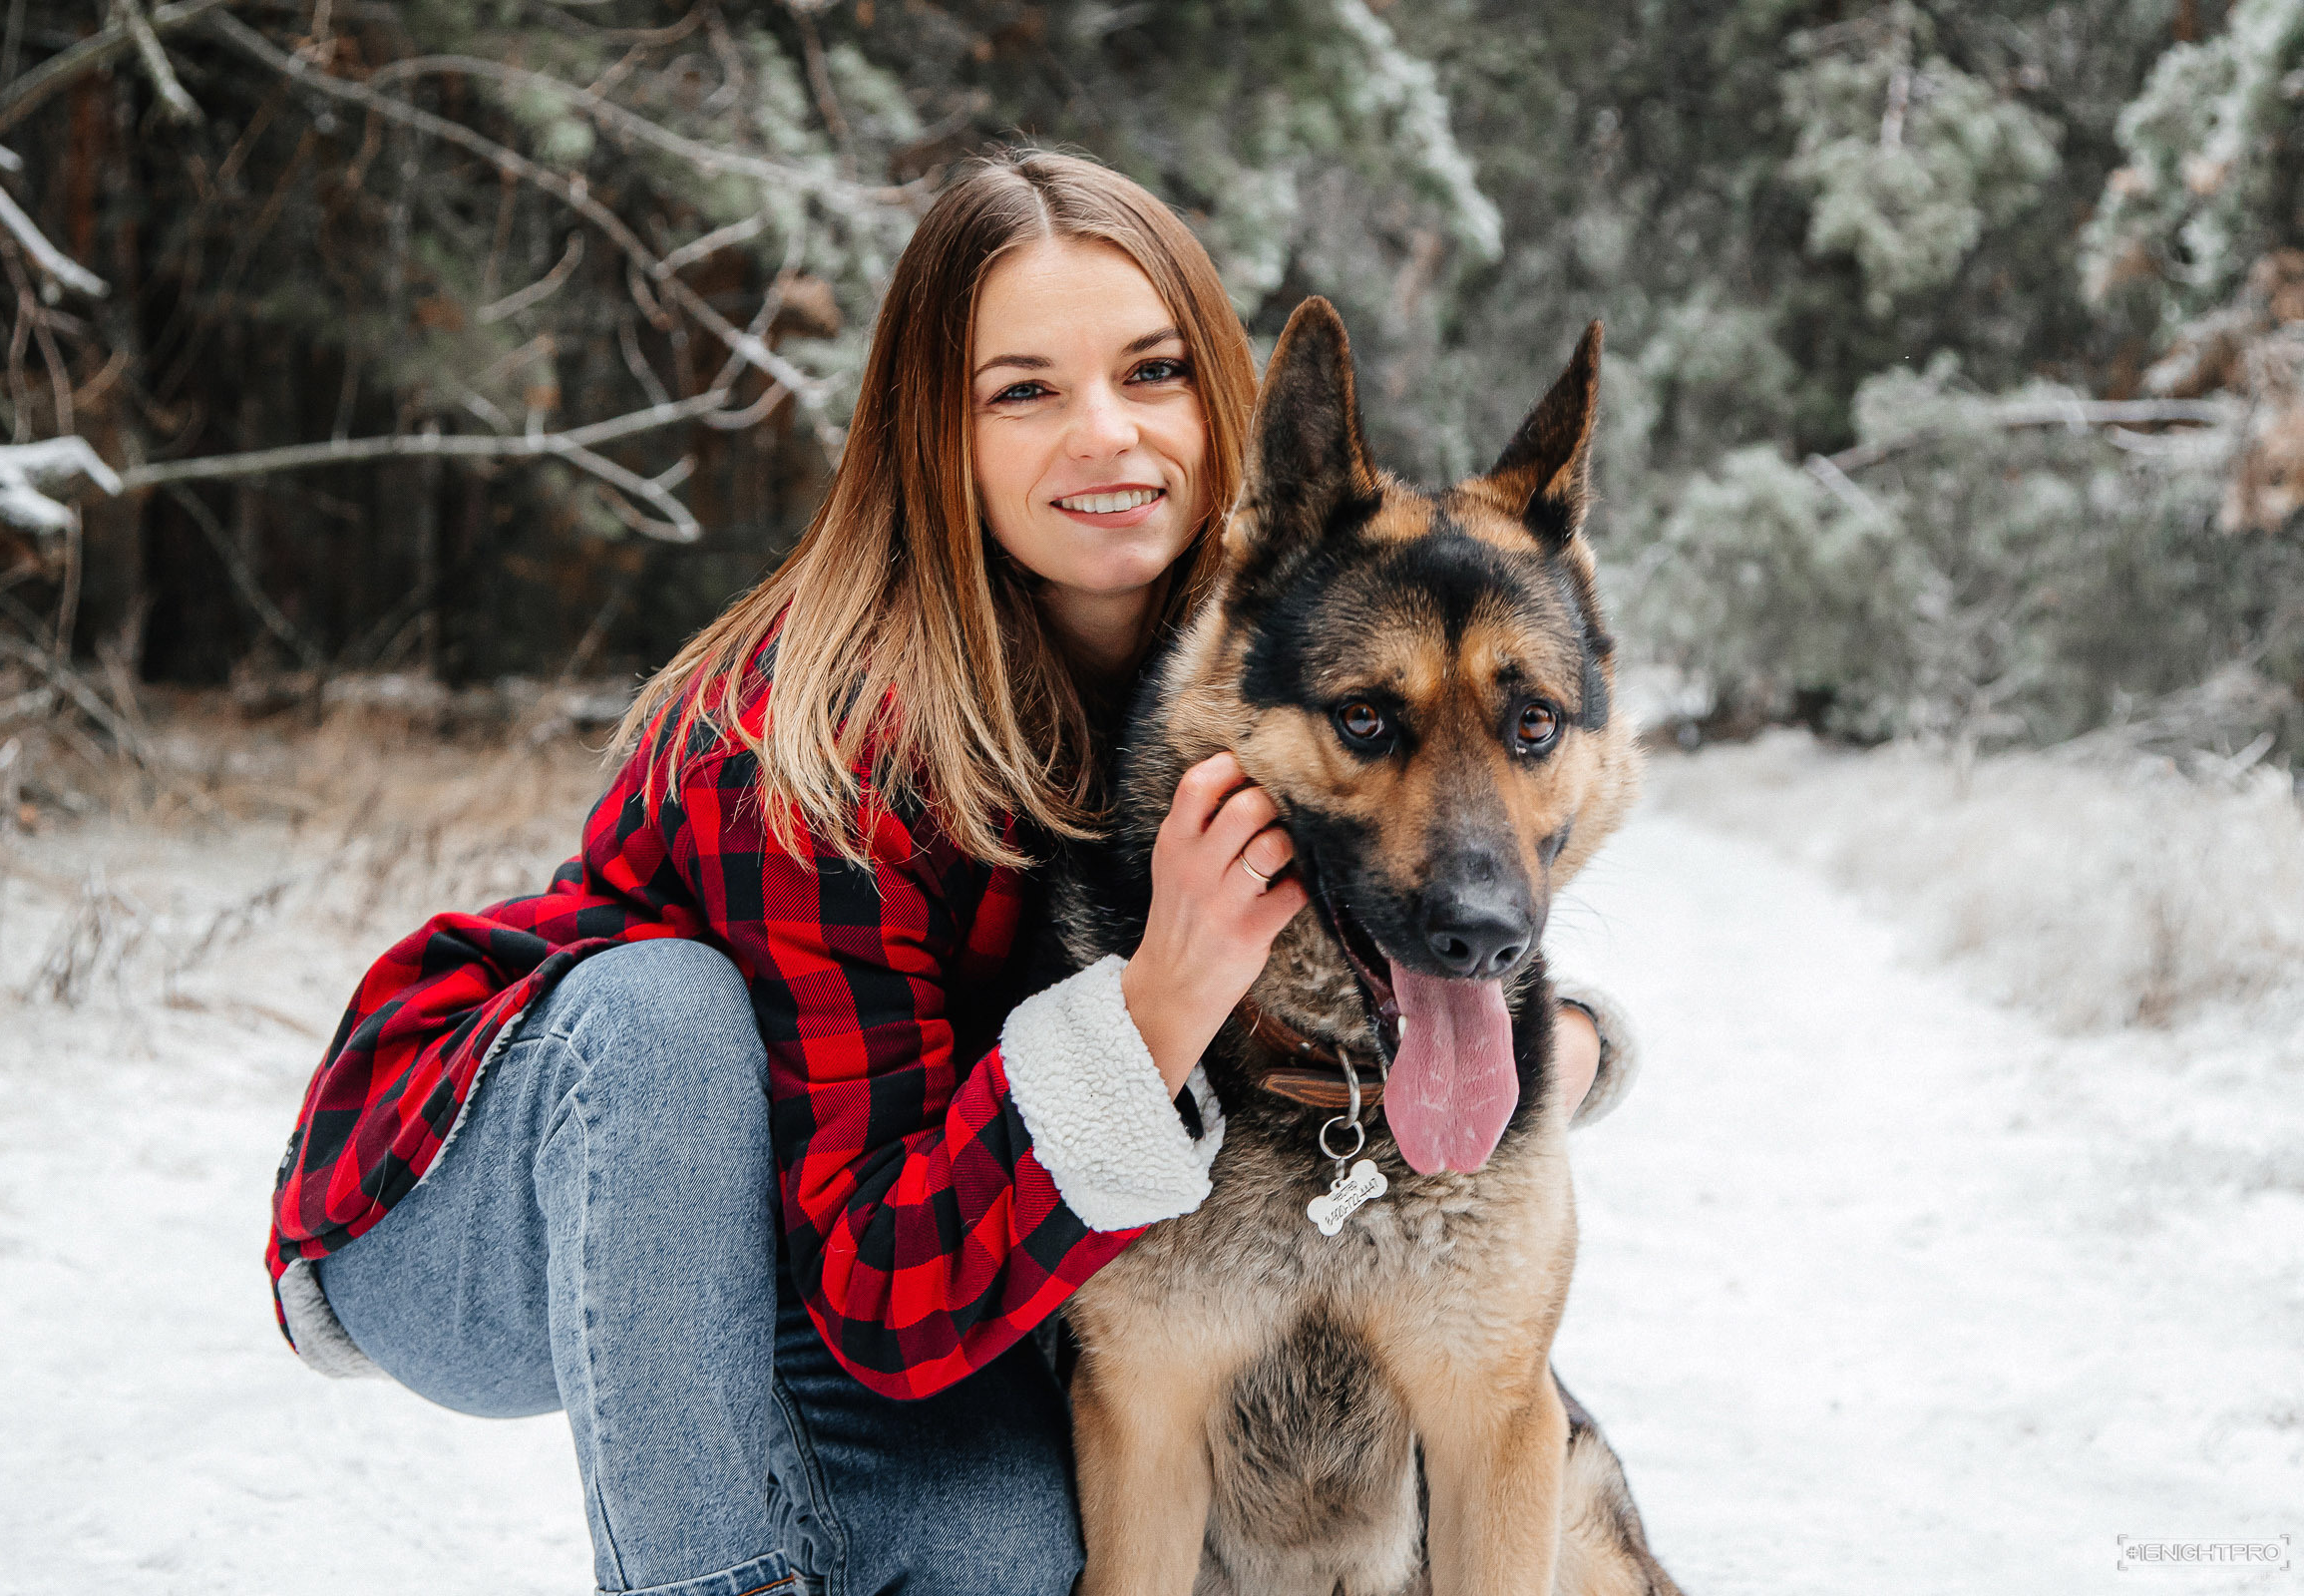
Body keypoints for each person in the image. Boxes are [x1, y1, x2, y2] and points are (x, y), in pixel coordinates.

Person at [266, 150, 1622, 1596]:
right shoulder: (808, 744)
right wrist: (1159, 1007)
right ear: (936, 435)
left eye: (1151, 370)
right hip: (509, 1204)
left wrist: (1540, 1044)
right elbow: (887, 1295)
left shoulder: (1247, 633)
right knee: (660, 1017)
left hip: (864, 1212)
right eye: (1023, 389)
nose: (1104, 435)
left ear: (1220, 397)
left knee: (1001, 1557)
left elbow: (1426, 857)